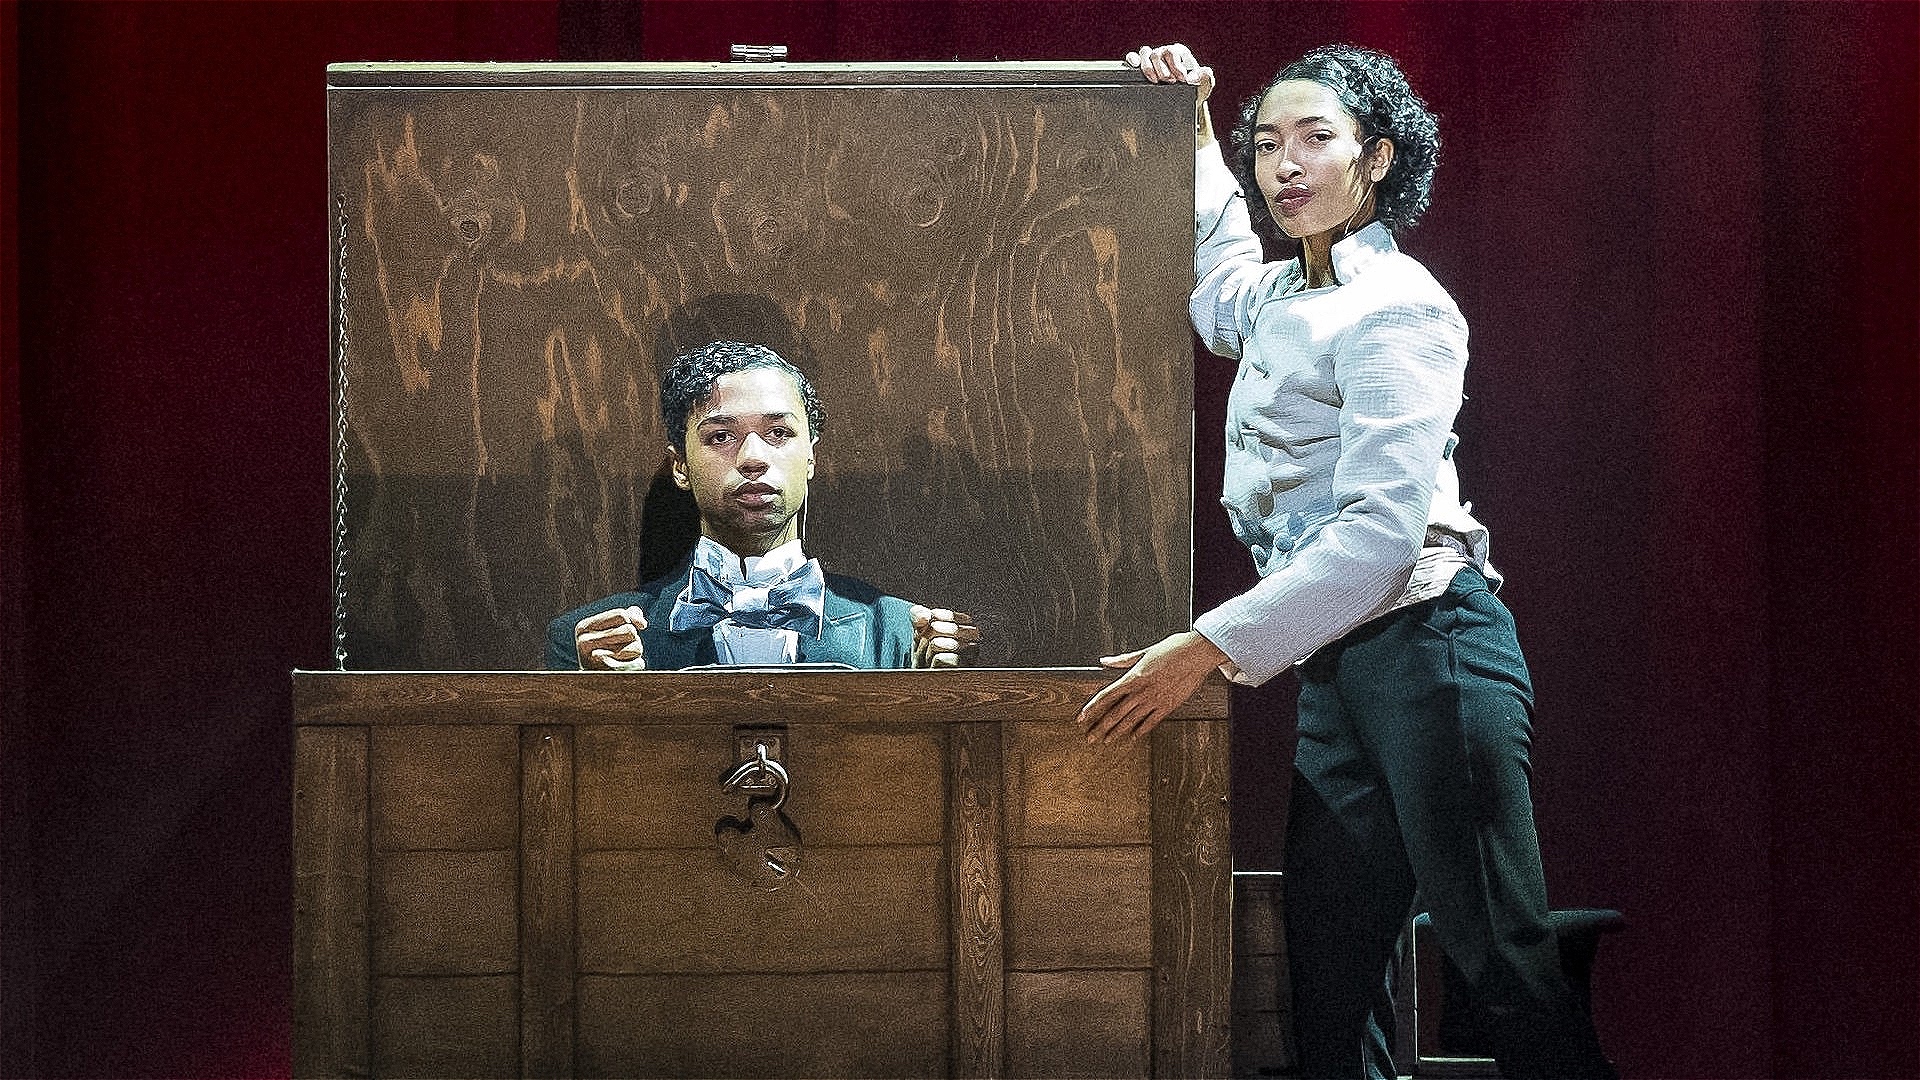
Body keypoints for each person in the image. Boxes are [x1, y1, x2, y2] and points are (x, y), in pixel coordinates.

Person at [1081, 43, 1615, 1079]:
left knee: (1501, 967)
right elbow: (1223, 278)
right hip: (1342, 668)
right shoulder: (1285, 295)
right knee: (1326, 987)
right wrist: (1193, 126)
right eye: (1267, 144)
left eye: (1315, 140)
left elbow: (1376, 539)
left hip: (1433, 648)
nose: (1285, 166)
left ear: (1376, 158)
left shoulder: (1401, 306)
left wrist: (1203, 649)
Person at [545, 340, 976, 670]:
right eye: (721, 436)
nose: (753, 458)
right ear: (679, 466)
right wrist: (598, 700)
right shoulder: (588, 644)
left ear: (810, 456)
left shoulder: (901, 635)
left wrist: (939, 693)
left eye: (778, 434)